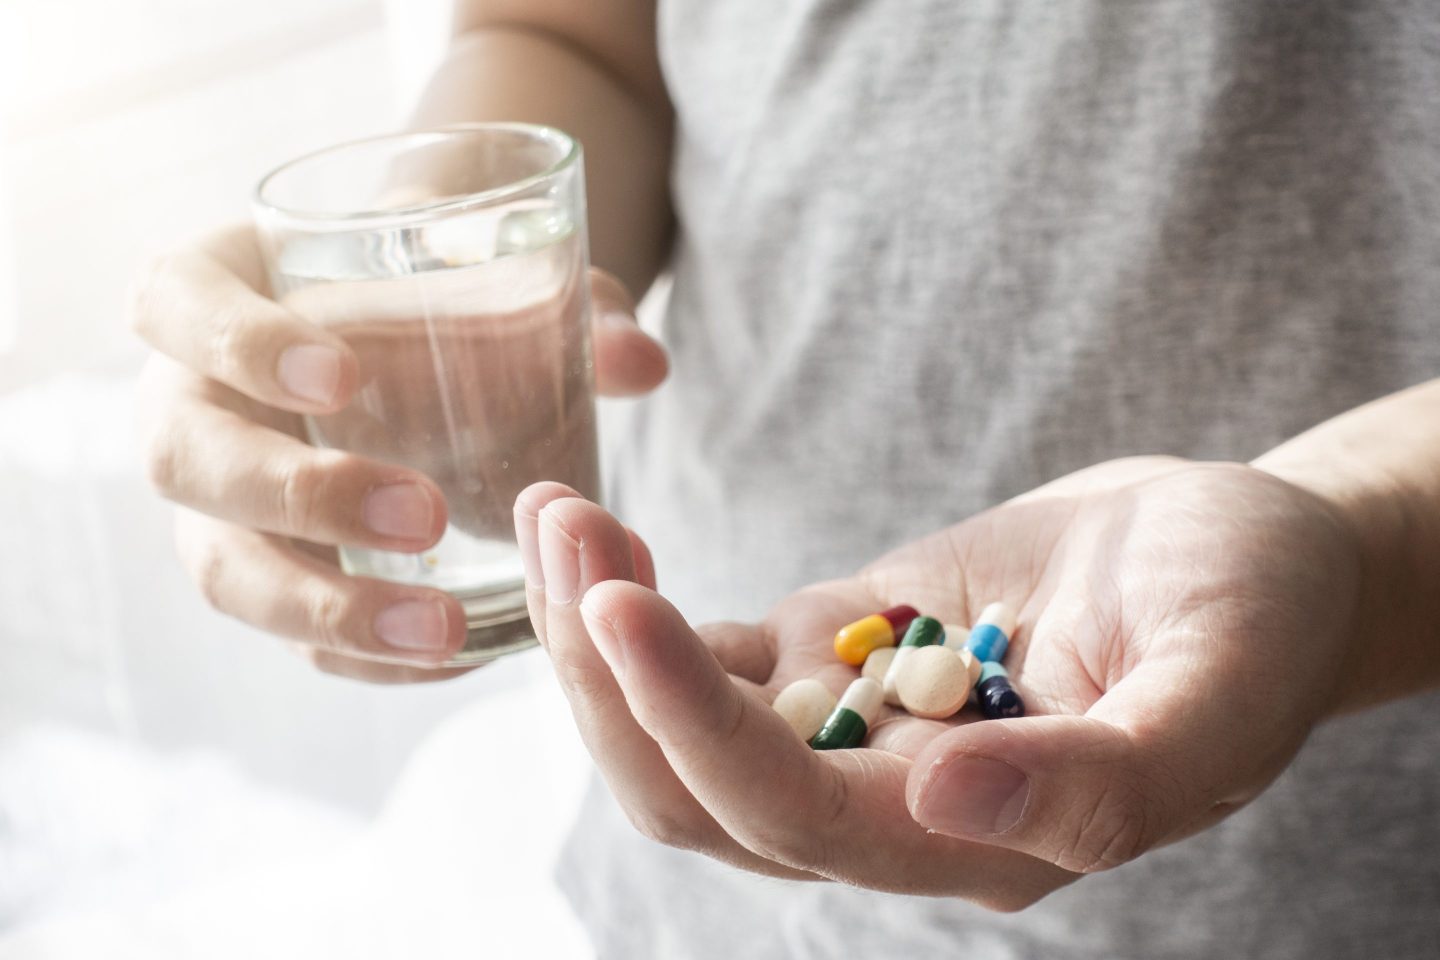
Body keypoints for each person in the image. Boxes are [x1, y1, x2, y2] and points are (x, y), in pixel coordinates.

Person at [131, 1, 1440, 956]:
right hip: (706, 883)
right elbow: (573, 36)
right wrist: (434, 268)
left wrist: (1356, 533)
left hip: (1330, 896)